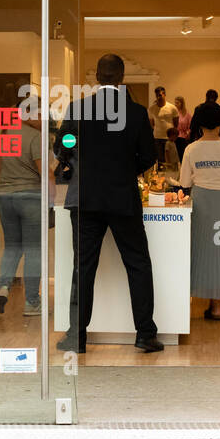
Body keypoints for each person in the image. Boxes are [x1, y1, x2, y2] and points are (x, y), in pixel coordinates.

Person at [56, 54, 163, 354]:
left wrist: (75, 155)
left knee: (83, 268)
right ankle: (144, 334)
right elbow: (148, 156)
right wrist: (125, 171)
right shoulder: (137, 113)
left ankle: (76, 337)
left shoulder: (78, 109)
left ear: (98, 78)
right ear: (121, 77)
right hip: (122, 198)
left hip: (85, 198)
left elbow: (61, 145)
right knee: (138, 264)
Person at [179, 102, 220, 319]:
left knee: (201, 250)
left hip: (200, 205)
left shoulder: (191, 149)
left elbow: (184, 181)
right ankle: (217, 305)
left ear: (198, 125)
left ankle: (196, 299)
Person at [0, 101, 44, 316]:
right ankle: (32, 301)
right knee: (33, 249)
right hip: (30, 196)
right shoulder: (34, 137)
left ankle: (3, 287)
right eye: (40, 113)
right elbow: (44, 172)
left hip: (4, 196)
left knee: (12, 246)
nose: (43, 118)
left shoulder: (2, 134)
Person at [148, 85, 179, 165]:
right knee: (160, 159)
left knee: (170, 159)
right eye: (157, 95)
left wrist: (172, 135)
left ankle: (171, 176)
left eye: (160, 95)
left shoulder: (172, 108)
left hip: (169, 138)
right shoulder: (152, 108)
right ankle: (161, 177)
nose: (159, 97)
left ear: (164, 95)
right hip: (157, 137)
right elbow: (152, 123)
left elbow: (176, 123)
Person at [174, 96, 192, 161]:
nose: (175, 105)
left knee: (183, 156)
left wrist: (188, 133)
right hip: (175, 137)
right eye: (175, 103)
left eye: (177, 103)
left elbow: (190, 126)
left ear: (182, 103)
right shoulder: (174, 113)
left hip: (183, 138)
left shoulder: (187, 114)